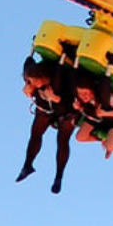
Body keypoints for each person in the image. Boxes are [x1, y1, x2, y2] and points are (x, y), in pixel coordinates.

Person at [17, 56, 77, 194]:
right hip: (46, 108)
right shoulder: (32, 74)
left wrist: (56, 98)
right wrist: (28, 88)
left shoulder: (59, 76)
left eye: (32, 82)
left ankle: (59, 176)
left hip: (65, 110)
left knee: (62, 140)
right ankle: (27, 165)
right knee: (36, 132)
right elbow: (28, 61)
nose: (31, 83)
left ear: (40, 79)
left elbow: (73, 101)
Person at [72, 71, 113, 165]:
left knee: (110, 146)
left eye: (85, 92)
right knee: (80, 137)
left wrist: (104, 113)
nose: (83, 96)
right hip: (98, 118)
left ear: (91, 90)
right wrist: (80, 108)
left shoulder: (105, 96)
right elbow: (89, 113)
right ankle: (103, 139)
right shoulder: (85, 101)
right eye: (80, 94)